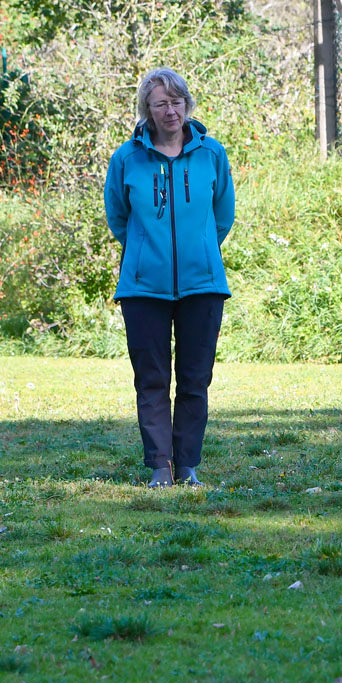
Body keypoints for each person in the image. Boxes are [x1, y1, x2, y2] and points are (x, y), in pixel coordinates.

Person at [103, 67, 235, 488]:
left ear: (186, 105)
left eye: (177, 102)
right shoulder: (127, 158)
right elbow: (118, 217)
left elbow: (222, 215)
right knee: (152, 380)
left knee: (196, 380)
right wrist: (146, 251)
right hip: (144, 289)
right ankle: (161, 466)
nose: (171, 111)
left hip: (203, 286)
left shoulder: (212, 153)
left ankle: (189, 465)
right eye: (161, 103)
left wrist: (199, 248)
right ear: (147, 109)